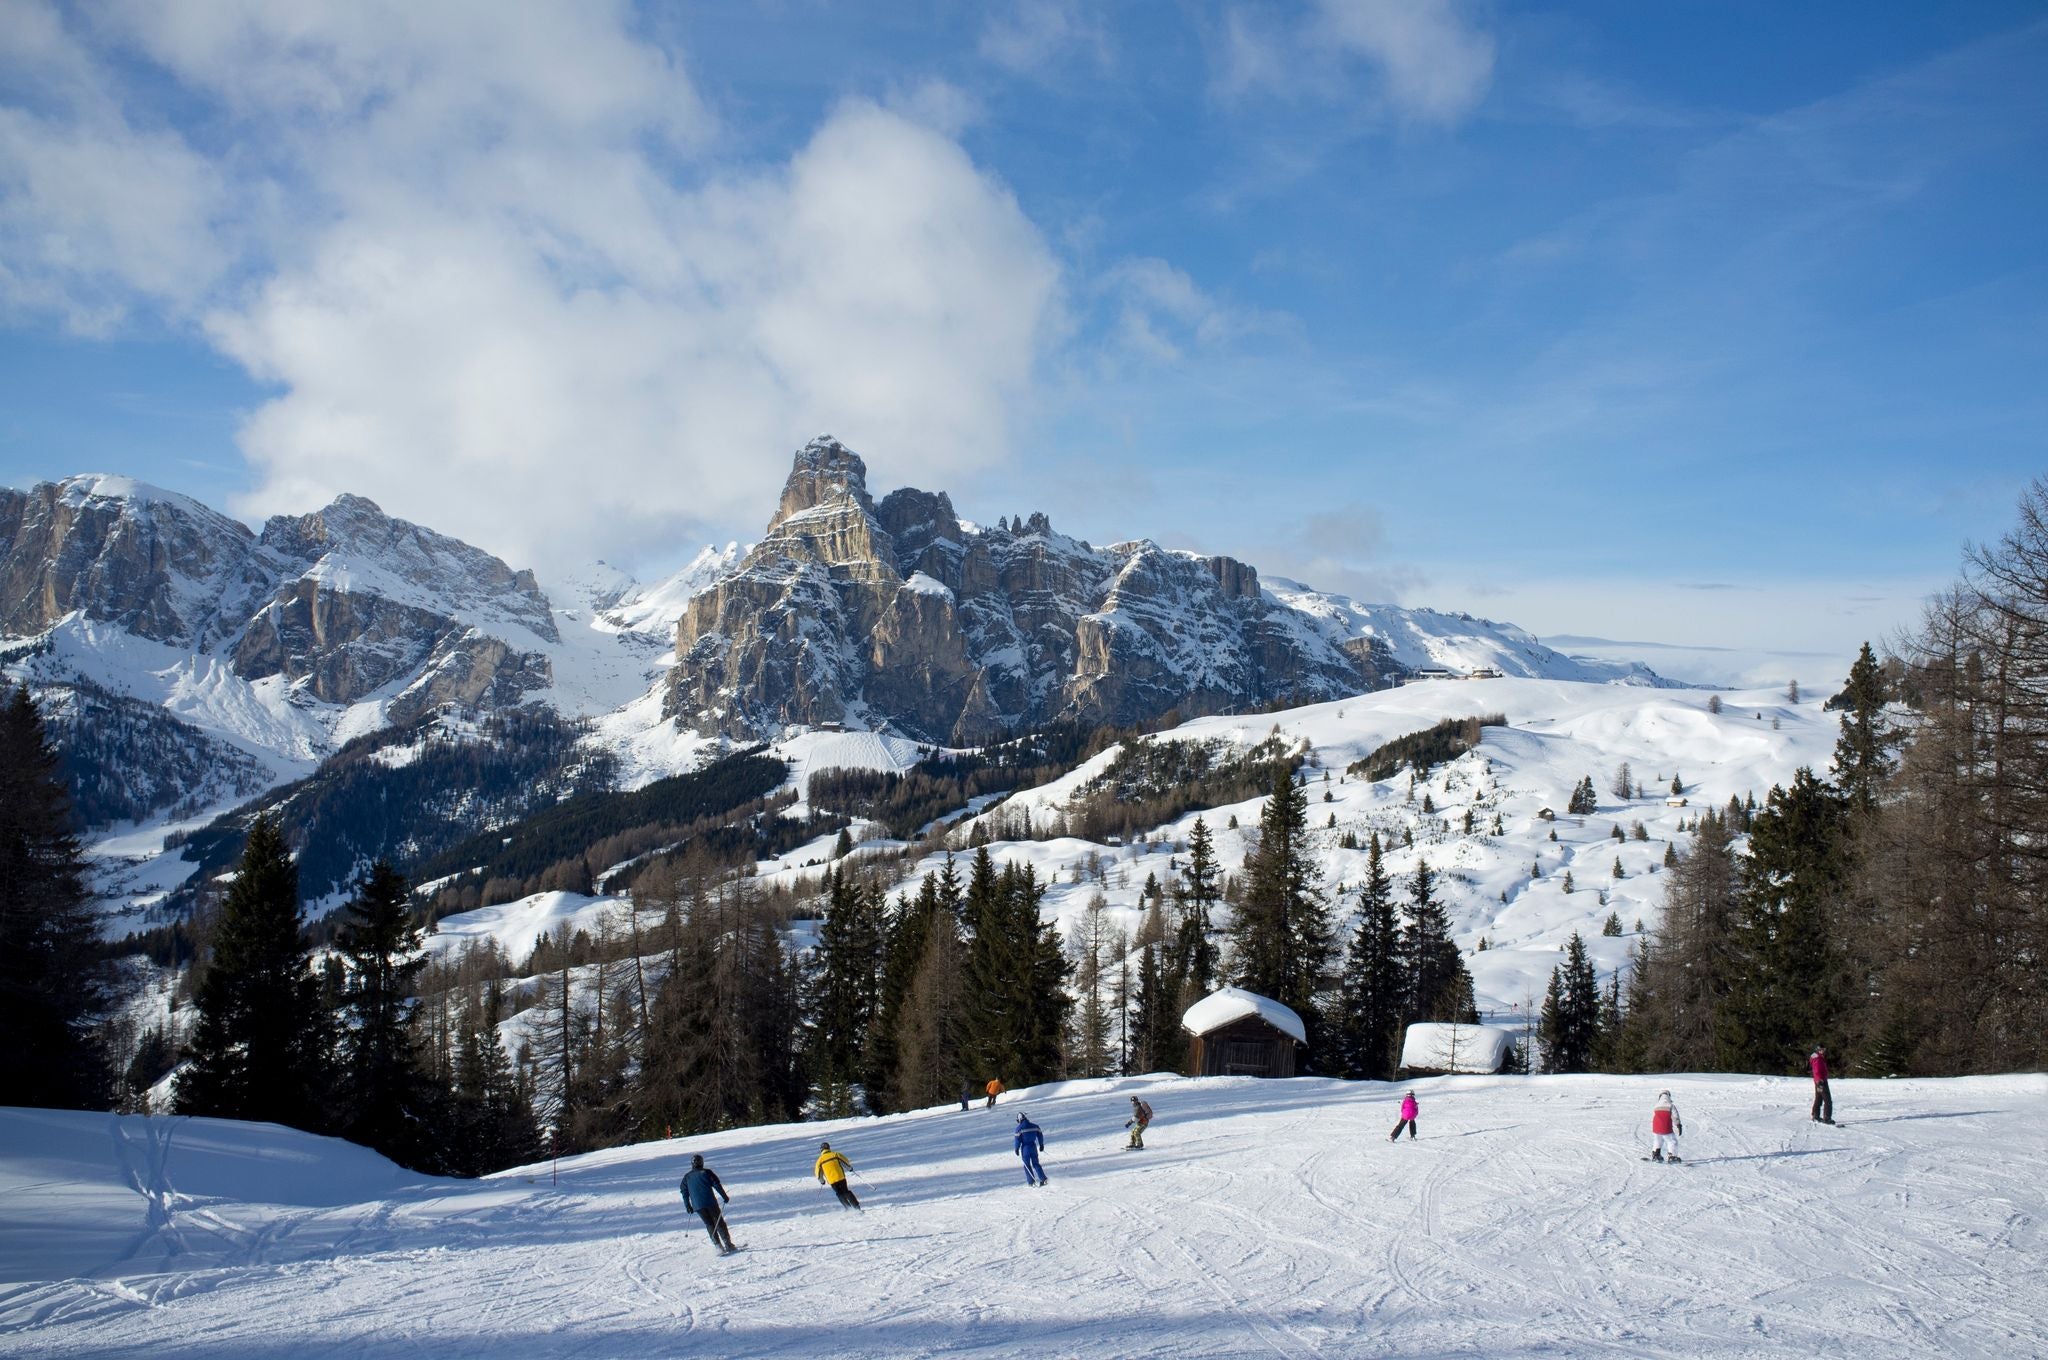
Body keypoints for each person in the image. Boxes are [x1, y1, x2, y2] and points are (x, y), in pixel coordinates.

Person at [678, 1154, 739, 1255]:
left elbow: (684, 1191)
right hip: (710, 1203)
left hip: (698, 1206)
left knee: (709, 1224)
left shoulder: (687, 1177)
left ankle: (718, 1246)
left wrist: (687, 1205)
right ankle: (728, 1244)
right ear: (701, 1162)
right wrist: (724, 1196)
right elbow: (716, 1185)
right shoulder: (706, 1172)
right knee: (719, 1222)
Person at [815, 1141, 861, 1210]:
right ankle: (856, 1206)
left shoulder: (819, 1160)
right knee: (846, 1191)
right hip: (840, 1177)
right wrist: (849, 1168)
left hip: (832, 1180)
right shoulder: (835, 1154)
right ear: (829, 1148)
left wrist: (822, 1181)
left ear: (821, 1150)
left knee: (839, 1194)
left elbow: (818, 1173)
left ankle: (848, 1208)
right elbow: (845, 1162)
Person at [1014, 1112, 1048, 1186]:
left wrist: (1016, 1148)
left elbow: (1017, 1140)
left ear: (1020, 1119)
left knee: (1027, 1165)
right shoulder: (1035, 1126)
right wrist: (1041, 1144)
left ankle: (1031, 1182)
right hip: (1033, 1146)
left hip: (1025, 1148)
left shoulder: (1019, 1129)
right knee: (1036, 1163)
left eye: (1017, 1120)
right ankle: (1043, 1179)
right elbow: (1040, 1135)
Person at [1650, 1090, 1684, 1162]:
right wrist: (1678, 1125)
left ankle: (1656, 1154)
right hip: (1665, 1127)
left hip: (1656, 1127)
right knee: (1672, 1141)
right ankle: (1672, 1156)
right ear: (1668, 1096)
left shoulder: (1656, 1105)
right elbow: (1675, 1116)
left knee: (1658, 1140)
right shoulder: (1670, 1105)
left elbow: (1653, 1116)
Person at [1810, 1046, 1835, 1124]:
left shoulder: (1818, 1057)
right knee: (1827, 1100)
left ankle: (1815, 1115)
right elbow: (1816, 1070)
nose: (1823, 1051)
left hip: (1819, 1081)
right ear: (1817, 1050)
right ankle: (1827, 1118)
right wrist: (1820, 1080)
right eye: (1821, 1050)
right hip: (1821, 1082)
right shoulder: (1817, 1058)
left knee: (1819, 1098)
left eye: (1824, 1049)